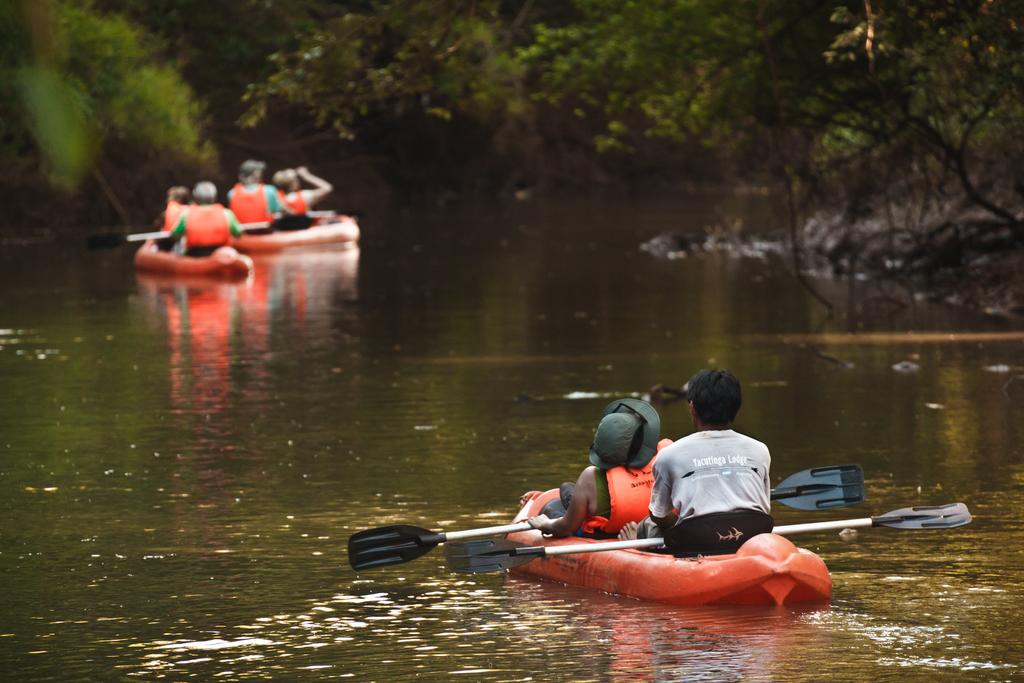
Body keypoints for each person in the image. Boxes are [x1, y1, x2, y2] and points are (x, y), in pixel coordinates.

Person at [619, 369, 773, 555]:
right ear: (736, 408)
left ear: (692, 408)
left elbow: (659, 515)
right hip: (751, 537)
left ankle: (637, 548)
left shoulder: (669, 455)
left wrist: (681, 521)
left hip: (697, 542)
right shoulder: (760, 450)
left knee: (648, 523)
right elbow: (764, 508)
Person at [526, 398, 665, 538]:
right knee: (566, 489)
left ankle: (566, 505)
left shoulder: (590, 477)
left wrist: (544, 524)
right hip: (648, 528)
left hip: (605, 533)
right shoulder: (666, 459)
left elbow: (566, 529)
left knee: (555, 506)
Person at [170, 181, 243, 257]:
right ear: (214, 196)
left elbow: (175, 234)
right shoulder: (226, 213)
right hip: (221, 256)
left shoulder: (186, 214)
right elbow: (238, 233)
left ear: (195, 197)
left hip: (195, 256)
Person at [227, 159, 292, 224]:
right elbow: (284, 211)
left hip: (242, 233)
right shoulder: (268, 191)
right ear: (256, 173)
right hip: (265, 232)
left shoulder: (231, 194)